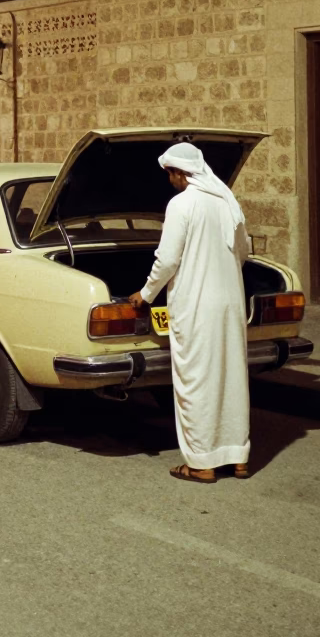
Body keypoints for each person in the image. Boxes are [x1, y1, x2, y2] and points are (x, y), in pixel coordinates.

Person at [129, 141, 251, 484]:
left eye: (171, 174)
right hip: (230, 303)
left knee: (195, 380)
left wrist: (146, 293)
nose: (170, 181)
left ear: (182, 173)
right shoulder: (227, 202)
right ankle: (237, 456)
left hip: (197, 304)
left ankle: (201, 463)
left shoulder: (182, 205)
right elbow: (242, 252)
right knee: (230, 377)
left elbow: (168, 259)